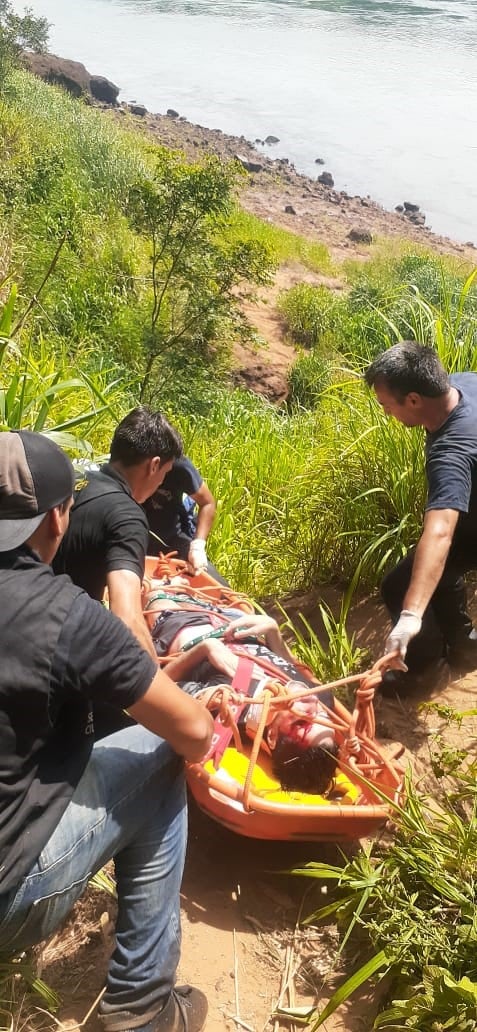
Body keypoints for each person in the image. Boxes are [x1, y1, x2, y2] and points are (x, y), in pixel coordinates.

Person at [0, 429, 213, 1032]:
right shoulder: (63, 614)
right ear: (58, 518)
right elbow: (195, 732)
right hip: (6, 897)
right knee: (164, 749)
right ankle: (142, 1006)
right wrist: (193, 680)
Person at [365, 340, 477, 694]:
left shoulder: (451, 452)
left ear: (413, 399)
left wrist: (411, 616)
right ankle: (463, 645)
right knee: (441, 566)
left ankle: (424, 670)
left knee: (399, 585)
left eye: (386, 404)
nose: (386, 413)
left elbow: (441, 531)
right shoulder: (464, 382)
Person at [144, 595, 339, 795]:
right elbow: (292, 665)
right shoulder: (322, 698)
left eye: (302, 723)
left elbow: (153, 685)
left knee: (155, 595)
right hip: (237, 619)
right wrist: (273, 633)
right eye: (322, 716)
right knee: (196, 568)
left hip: (181, 623)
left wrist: (205, 648)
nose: (312, 703)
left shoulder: (226, 707)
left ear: (272, 736)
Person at [53, 407, 183, 659]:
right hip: (58, 650)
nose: (160, 484)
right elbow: (128, 621)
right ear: (154, 465)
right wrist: (163, 686)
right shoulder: (127, 516)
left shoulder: (73, 477)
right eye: (165, 475)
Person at [143, 456, 227, 584]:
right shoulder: (126, 465)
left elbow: (207, 502)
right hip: (135, 539)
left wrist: (198, 546)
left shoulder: (177, 464)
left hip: (174, 539)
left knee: (218, 586)